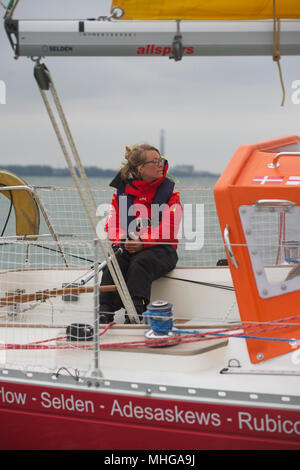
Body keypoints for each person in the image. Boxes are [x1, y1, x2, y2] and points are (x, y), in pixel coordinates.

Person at [99, 143, 182, 324]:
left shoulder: (170, 193)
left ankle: (135, 311)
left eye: (161, 160)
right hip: (129, 246)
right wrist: (124, 240)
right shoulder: (121, 195)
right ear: (141, 168)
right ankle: (104, 310)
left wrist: (142, 242)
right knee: (114, 262)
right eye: (156, 161)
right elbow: (112, 225)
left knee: (140, 262)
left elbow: (169, 228)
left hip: (162, 249)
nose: (161, 164)